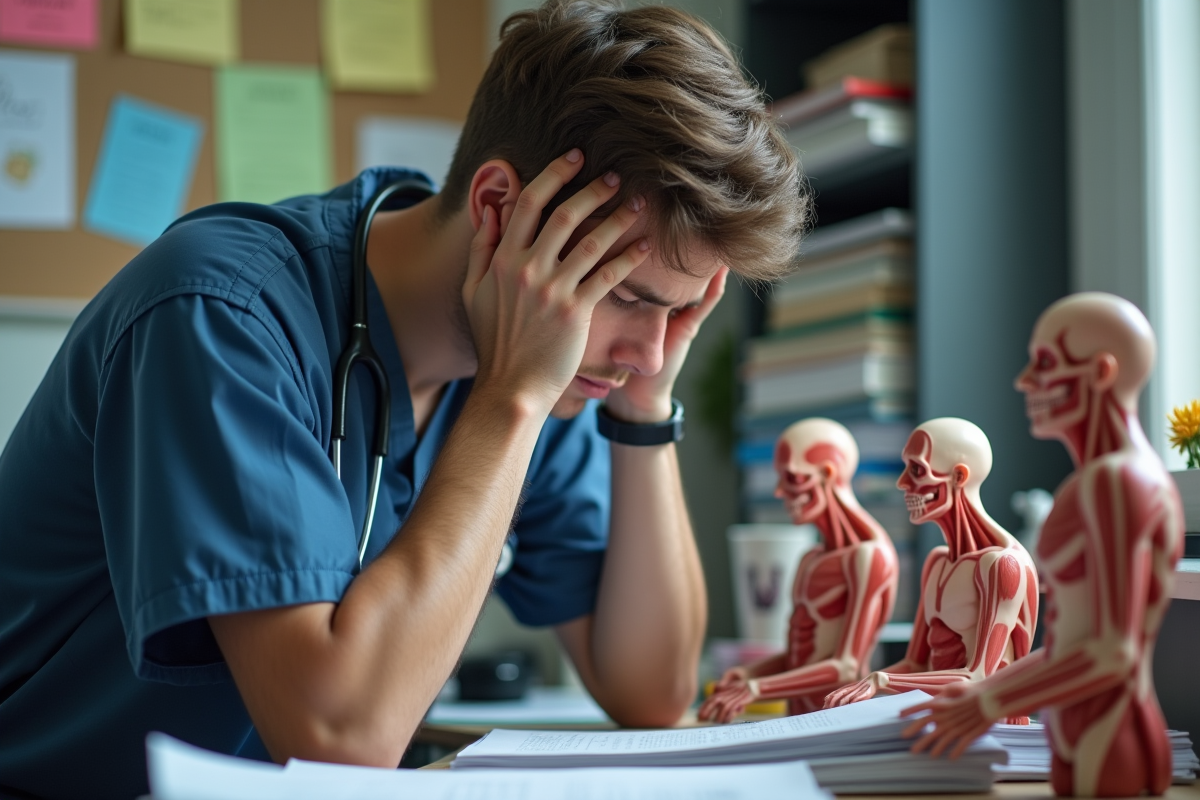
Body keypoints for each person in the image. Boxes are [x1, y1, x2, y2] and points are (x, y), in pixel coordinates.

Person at [0, 1, 806, 797]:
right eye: (628, 297)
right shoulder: (222, 314)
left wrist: (644, 410)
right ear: (499, 210)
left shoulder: (548, 364)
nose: (647, 352)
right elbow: (340, 741)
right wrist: (510, 399)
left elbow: (652, 692)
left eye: (679, 313)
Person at [698, 417, 898, 722]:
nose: (779, 492)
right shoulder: (810, 559)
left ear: (827, 474)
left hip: (835, 722)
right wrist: (749, 673)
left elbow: (848, 665)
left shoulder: (869, 556)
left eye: (791, 478)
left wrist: (757, 688)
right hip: (795, 719)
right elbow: (799, 656)